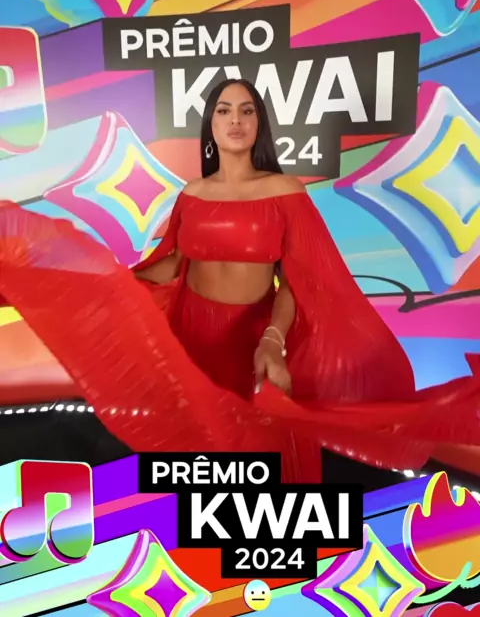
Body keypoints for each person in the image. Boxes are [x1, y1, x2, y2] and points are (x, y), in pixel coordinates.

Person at [0, 79, 479, 481]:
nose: (235, 119)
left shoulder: (283, 191)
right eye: (224, 110)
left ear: (258, 124)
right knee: (194, 455)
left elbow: (300, 283)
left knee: (256, 458)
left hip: (249, 342)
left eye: (246, 111)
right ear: (210, 124)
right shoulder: (193, 193)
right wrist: (113, 287)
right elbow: (175, 263)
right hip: (190, 336)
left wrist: (273, 341)